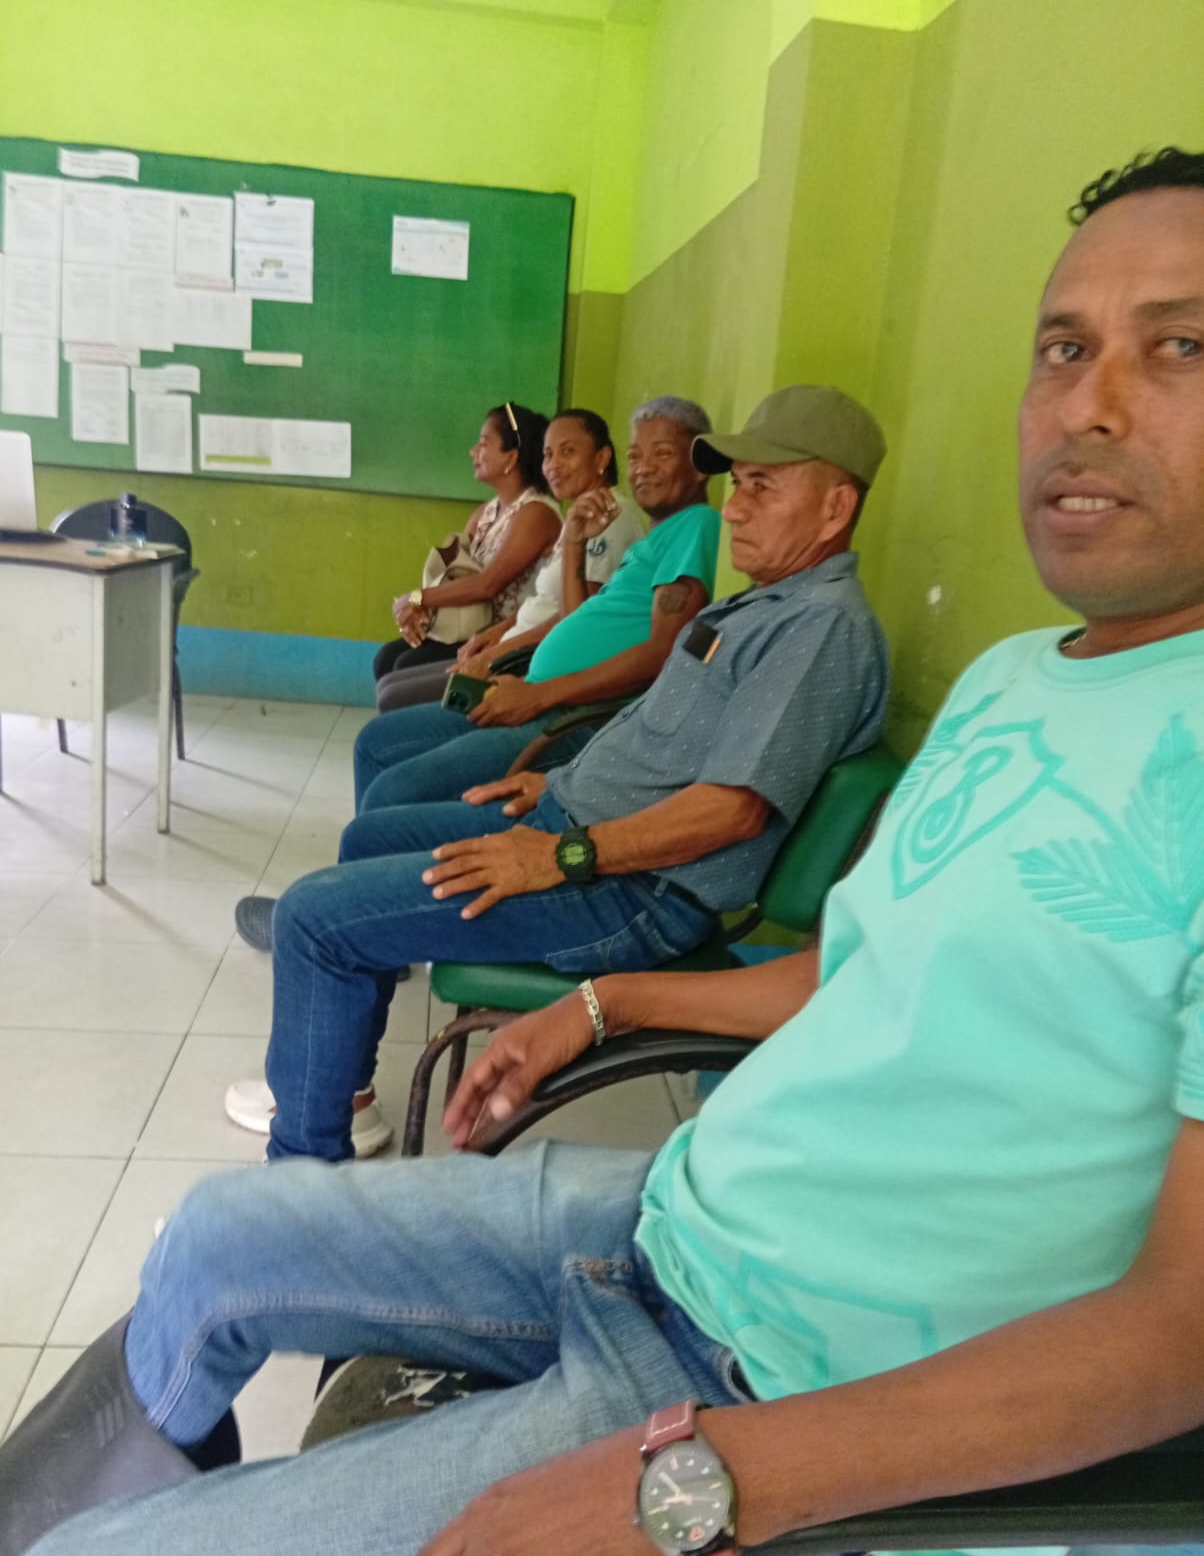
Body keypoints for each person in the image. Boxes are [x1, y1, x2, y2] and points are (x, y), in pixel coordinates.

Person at [14, 147, 1204, 1556]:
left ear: (835, 508)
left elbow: (1180, 1334)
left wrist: (707, 1480)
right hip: (672, 1218)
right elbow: (850, 974)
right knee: (215, 1236)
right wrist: (597, 1007)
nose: (1088, 404)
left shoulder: (833, 634)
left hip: (761, 1375)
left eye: (1177, 346)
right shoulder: (1015, 677)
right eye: (1062, 347)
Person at [224, 382, 887, 1161]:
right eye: (737, 485)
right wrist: (557, 786)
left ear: (835, 508)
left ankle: (300, 1176)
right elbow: (662, 734)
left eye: (762, 488)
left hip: (628, 890)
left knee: (312, 918)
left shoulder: (821, 630)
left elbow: (732, 810)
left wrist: (561, 854)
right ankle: (343, 1096)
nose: (735, 509)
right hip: (575, 826)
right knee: (369, 837)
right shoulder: (765, 606)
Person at [228, 396, 720, 962]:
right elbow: (578, 618)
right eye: (637, 455)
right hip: (537, 695)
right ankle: (360, 919)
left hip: (568, 719)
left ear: (699, 462)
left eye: (662, 454)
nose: (643, 468)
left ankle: (355, 928)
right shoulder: (654, 538)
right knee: (375, 743)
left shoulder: (695, 526)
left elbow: (661, 654)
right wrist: (574, 544)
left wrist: (534, 693)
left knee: (390, 793)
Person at [371, 408, 644, 716]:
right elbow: (546, 602)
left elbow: (574, 618)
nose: (553, 465)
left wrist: (492, 652)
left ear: (602, 458)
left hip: (528, 659)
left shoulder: (604, 517)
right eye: (548, 455)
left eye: (567, 452)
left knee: (395, 695)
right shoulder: (576, 515)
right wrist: (494, 634)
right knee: (390, 675)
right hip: (509, 640)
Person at [371, 402, 560, 707]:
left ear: (511, 457)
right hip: (466, 628)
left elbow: (487, 585)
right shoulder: (486, 512)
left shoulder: (536, 513)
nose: (473, 452)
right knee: (387, 658)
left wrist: (418, 598)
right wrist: (421, 609)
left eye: (483, 443)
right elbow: (454, 569)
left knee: (405, 666)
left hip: (504, 636)